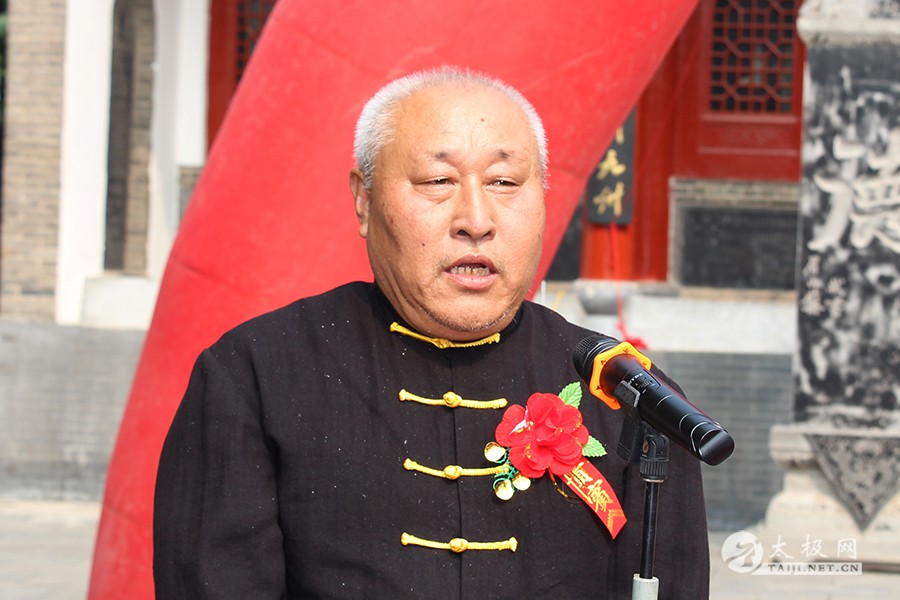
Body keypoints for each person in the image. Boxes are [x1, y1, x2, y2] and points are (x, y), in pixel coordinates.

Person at [153, 66, 710, 599]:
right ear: (364, 200)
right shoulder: (256, 376)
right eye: (438, 181)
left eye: (504, 182)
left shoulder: (628, 397)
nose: (476, 220)